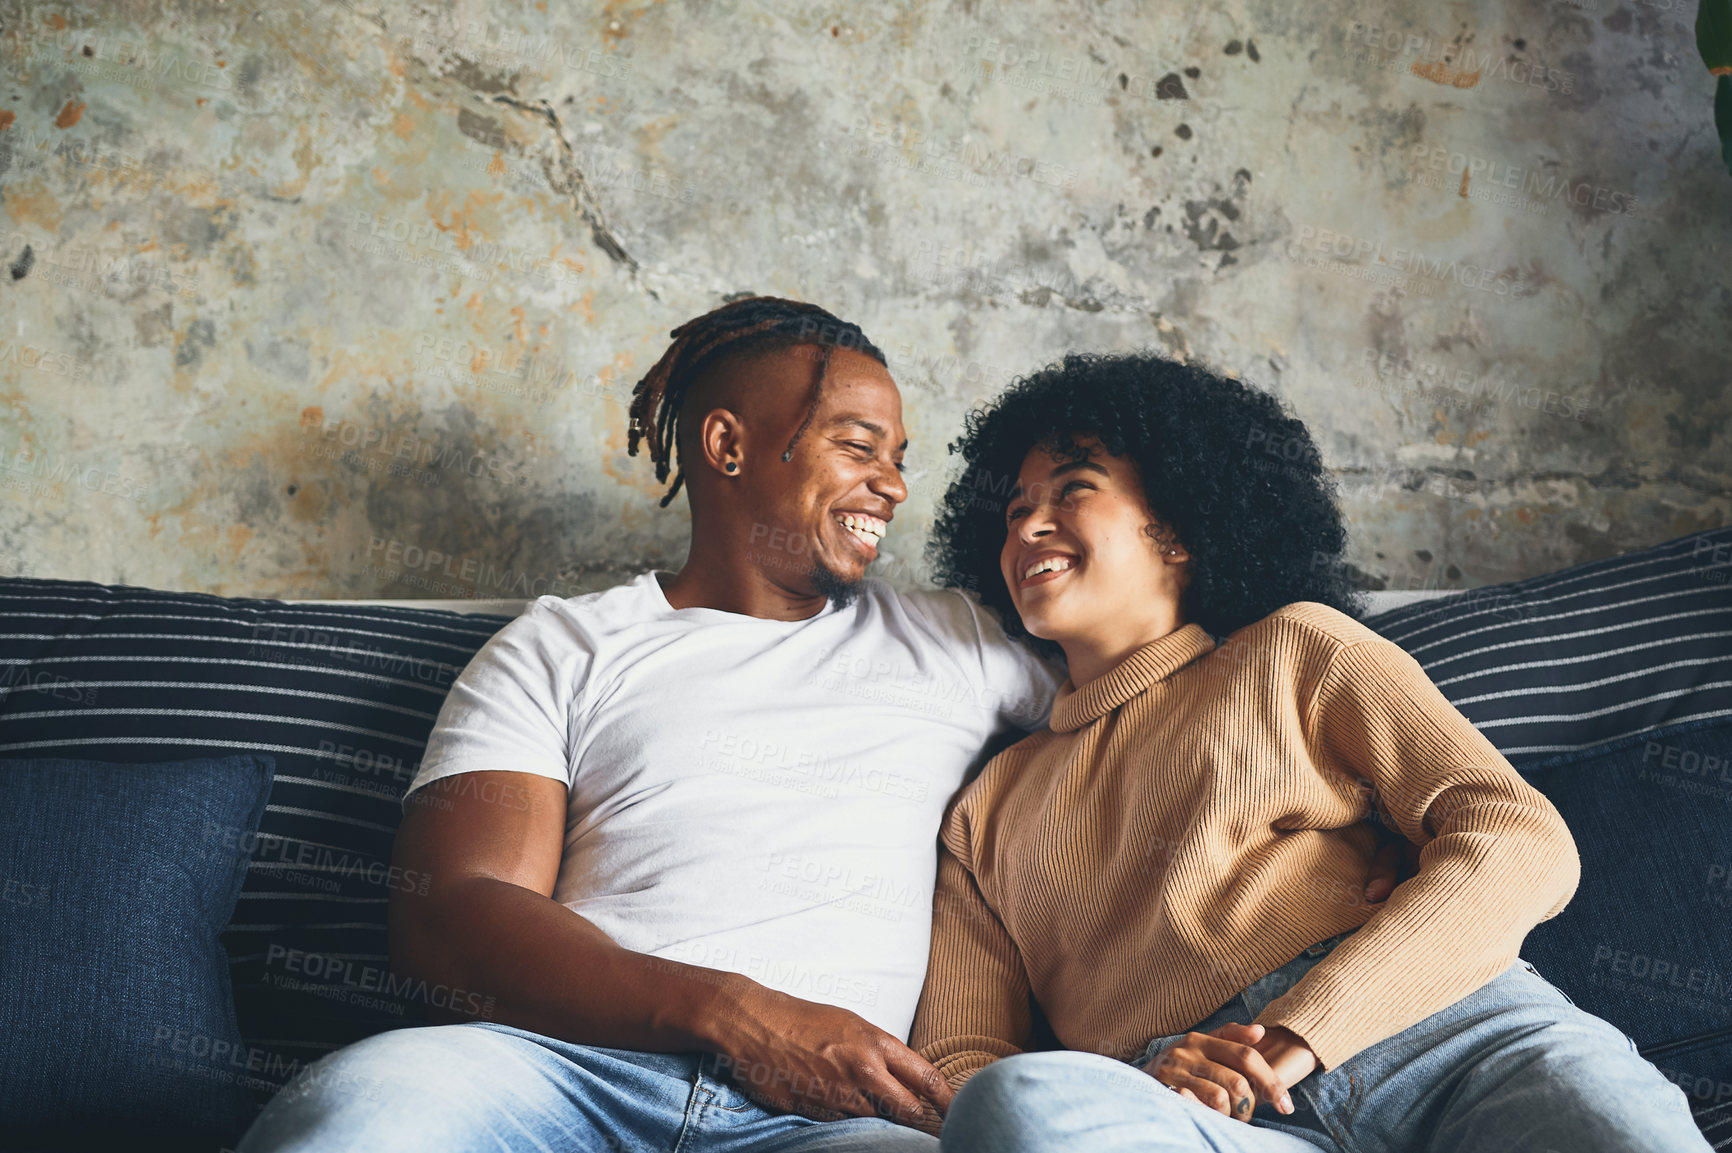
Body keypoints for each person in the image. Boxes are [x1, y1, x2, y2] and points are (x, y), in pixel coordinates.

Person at [237, 303, 1406, 1153]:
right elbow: (453, 917)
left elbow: (1185, 685)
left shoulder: (960, 640)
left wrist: (1361, 820)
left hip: (841, 1120)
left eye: (899, 460)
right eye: (858, 445)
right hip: (554, 1071)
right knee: (361, 1117)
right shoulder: (561, 646)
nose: (893, 486)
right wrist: (732, 1011)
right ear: (728, 445)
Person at [907, 351, 1711, 1152]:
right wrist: (1143, 1086)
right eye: (1014, 510)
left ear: (1179, 529)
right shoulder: (986, 808)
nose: (1029, 524)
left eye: (1073, 489)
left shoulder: (1299, 648)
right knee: (1012, 1110)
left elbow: (1519, 841)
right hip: (1210, 1107)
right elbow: (961, 1063)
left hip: (1451, 1036)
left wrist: (1309, 1023)